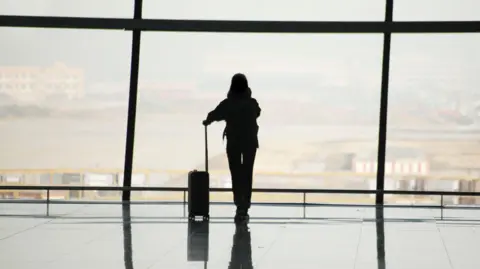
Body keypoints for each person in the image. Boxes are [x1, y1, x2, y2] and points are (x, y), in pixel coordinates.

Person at [203, 73, 261, 221]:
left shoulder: (229, 103)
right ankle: (245, 206)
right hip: (250, 143)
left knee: (235, 173)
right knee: (247, 172)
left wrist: (207, 121)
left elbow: (215, 114)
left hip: (234, 142)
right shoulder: (252, 103)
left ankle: (238, 204)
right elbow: (258, 112)